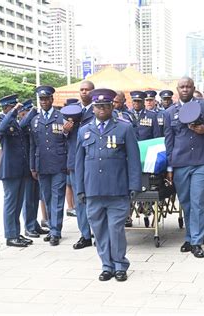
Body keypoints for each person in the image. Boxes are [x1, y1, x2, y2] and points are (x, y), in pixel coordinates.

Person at [75, 88, 142, 282]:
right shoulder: (84, 131)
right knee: (99, 231)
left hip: (117, 189)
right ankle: (106, 265)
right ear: (93, 108)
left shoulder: (124, 128)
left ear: (112, 106)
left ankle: (120, 265)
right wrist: (79, 188)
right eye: (97, 106)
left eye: (105, 105)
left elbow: (134, 160)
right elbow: (78, 163)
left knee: (116, 229)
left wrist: (134, 186)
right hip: (93, 190)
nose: (101, 109)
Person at [164, 77, 204, 258]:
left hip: (203, 161)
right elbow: (169, 141)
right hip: (181, 162)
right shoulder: (169, 112)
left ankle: (197, 241)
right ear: (177, 89)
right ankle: (190, 237)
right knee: (187, 203)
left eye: (188, 86)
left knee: (198, 200)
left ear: (193, 88)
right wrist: (169, 167)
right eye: (182, 87)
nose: (185, 89)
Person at [30, 85, 68, 246]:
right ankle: (53, 227)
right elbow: (33, 145)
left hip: (59, 164)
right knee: (47, 198)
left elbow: (68, 141)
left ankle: (55, 232)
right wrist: (33, 166)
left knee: (58, 198)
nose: (44, 102)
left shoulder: (62, 117)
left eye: (46, 99)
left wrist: (67, 131)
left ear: (52, 99)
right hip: (42, 165)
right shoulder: (35, 120)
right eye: (41, 99)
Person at [0, 94, 32, 248]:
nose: (17, 109)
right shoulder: (1, 122)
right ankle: (10, 235)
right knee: (10, 203)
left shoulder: (14, 123)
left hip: (20, 169)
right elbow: (1, 130)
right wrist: (13, 112)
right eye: (13, 107)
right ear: (6, 108)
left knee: (17, 203)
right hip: (9, 170)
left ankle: (16, 233)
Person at [65, 81, 95, 249]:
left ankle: (98, 233)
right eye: (81, 90)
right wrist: (65, 130)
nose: (84, 92)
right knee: (80, 199)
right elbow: (63, 139)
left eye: (87, 90)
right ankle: (85, 235)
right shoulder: (71, 110)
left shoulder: (99, 108)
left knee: (95, 198)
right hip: (75, 161)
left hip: (93, 160)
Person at [18, 99, 49, 238]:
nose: (28, 116)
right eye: (25, 113)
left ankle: (34, 223)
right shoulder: (21, 125)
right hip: (25, 167)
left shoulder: (32, 124)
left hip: (35, 164)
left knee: (35, 197)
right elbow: (22, 125)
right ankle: (28, 226)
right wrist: (31, 114)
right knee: (28, 198)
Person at [64, 98, 79, 218]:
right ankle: (70, 206)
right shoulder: (64, 122)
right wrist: (65, 131)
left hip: (80, 161)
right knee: (69, 185)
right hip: (70, 160)